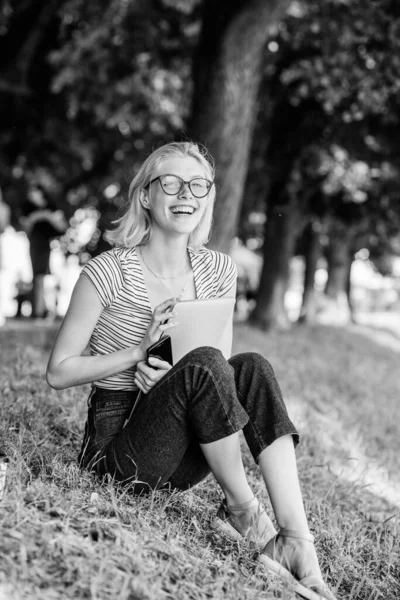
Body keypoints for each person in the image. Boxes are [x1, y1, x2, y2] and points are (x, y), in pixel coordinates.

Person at [46, 142, 337, 600]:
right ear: (145, 195)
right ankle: (243, 510)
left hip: (187, 448)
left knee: (253, 367)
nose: (187, 194)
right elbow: (58, 372)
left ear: (209, 196)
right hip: (119, 453)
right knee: (204, 367)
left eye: (198, 185)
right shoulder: (106, 272)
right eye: (172, 183)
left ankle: (296, 540)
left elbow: (215, 366)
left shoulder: (218, 269)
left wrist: (169, 382)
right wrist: (137, 353)